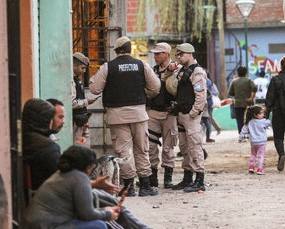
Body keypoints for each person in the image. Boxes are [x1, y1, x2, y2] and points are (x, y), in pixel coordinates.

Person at [22, 98, 184, 229]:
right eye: (56, 117)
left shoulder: (33, 141)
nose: (62, 121)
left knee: (108, 200)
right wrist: (103, 209)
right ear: (43, 119)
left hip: (55, 199)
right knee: (107, 215)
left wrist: (92, 184)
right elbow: (65, 182)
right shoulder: (45, 147)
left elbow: (63, 180)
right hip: (56, 207)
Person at [89, 36, 160, 197]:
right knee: (142, 149)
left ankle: (129, 187)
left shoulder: (108, 67)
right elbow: (155, 86)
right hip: (139, 114)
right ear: (130, 50)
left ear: (116, 51)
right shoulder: (141, 65)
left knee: (124, 151)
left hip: (117, 115)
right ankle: (145, 186)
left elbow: (94, 89)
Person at [164, 43, 207, 192]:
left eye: (181, 54)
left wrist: (193, 113)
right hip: (182, 114)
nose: (179, 57)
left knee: (195, 147)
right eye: (178, 55)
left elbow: (201, 97)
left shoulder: (197, 72)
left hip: (190, 115)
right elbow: (170, 84)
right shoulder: (182, 71)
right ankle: (187, 178)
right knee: (184, 147)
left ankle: (199, 180)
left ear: (190, 54)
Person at [146, 42, 178, 188]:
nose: (155, 56)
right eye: (154, 53)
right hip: (153, 111)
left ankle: (167, 178)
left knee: (168, 146)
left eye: (158, 53)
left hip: (169, 112)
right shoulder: (152, 70)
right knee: (151, 146)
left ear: (166, 54)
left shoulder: (177, 69)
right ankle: (152, 177)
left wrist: (177, 107)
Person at [72, 52, 97, 147]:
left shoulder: (76, 79)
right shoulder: (71, 80)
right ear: (74, 66)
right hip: (76, 121)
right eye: (82, 68)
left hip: (82, 120)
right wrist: (87, 101)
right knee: (79, 148)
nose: (84, 71)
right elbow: (71, 103)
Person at [238, 106, 271, 175]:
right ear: (255, 115)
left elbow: (243, 131)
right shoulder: (263, 122)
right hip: (262, 142)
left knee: (253, 154)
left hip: (253, 142)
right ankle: (260, 169)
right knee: (261, 155)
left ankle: (251, 167)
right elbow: (269, 122)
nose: (263, 115)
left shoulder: (249, 122)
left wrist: (240, 138)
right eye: (261, 113)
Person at [228, 66, 257, 133]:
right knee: (249, 119)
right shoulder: (249, 80)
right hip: (248, 104)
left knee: (239, 120)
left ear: (237, 73)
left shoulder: (234, 81)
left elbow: (230, 93)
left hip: (238, 104)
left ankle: (242, 134)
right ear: (246, 72)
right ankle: (249, 133)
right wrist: (251, 98)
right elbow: (254, 88)